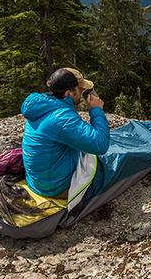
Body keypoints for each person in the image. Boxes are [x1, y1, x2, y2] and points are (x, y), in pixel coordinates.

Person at [20, 67, 109, 198]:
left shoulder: (42, 106)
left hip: (38, 181)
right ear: (69, 93)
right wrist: (96, 110)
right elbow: (100, 145)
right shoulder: (62, 118)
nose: (82, 92)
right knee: (108, 164)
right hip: (56, 187)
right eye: (79, 89)